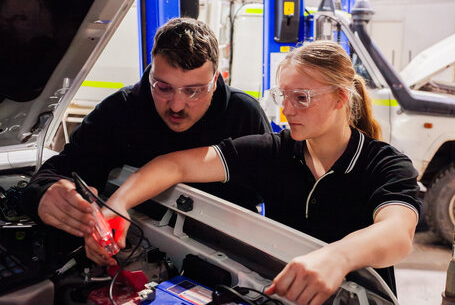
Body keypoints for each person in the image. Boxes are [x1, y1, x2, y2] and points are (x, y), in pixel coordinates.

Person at [87, 40, 421, 305]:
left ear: (341, 98)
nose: (286, 110)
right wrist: (117, 207)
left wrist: (337, 257)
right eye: (283, 96)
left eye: (301, 98)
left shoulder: (384, 165)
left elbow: (397, 232)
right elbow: (175, 165)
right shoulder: (272, 152)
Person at [19, 17, 272, 263]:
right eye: (163, 87)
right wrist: (44, 195)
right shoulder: (120, 110)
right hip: (135, 249)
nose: (176, 105)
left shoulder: (244, 116)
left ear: (215, 81)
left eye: (193, 91)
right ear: (149, 74)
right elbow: (57, 171)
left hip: (231, 257)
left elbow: (270, 195)